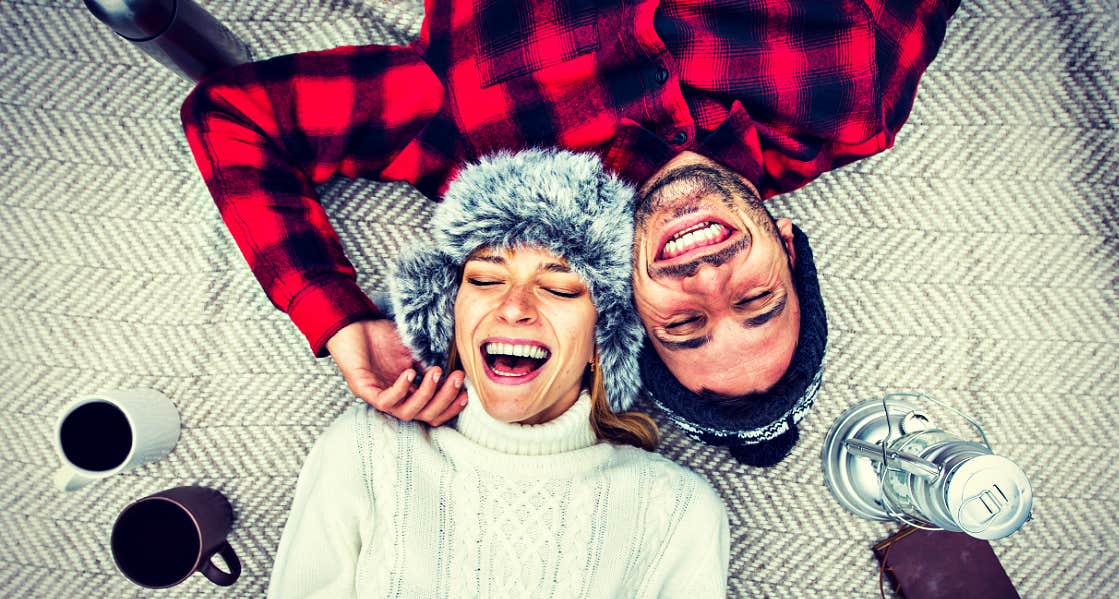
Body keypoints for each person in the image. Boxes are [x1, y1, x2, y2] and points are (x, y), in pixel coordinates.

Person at [181, 0, 960, 464]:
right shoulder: (859, 95)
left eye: (685, 322)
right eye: (755, 299)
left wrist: (339, 317)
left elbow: (235, 118)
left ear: (624, 300)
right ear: (789, 247)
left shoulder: (478, 151)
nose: (709, 278)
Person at [267, 149, 729, 597]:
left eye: (559, 287)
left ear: (602, 340)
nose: (513, 307)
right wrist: (340, 322)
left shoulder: (676, 512)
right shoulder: (367, 451)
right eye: (485, 280)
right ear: (452, 316)